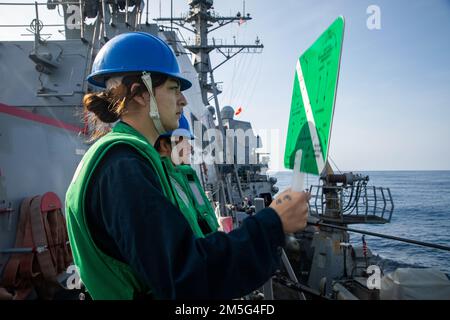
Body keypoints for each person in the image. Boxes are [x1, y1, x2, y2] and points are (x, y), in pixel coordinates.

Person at [65, 32, 310, 300]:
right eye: (173, 89)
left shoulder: (128, 159)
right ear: (139, 94)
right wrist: (273, 223)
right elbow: (186, 277)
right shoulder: (122, 166)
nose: (182, 100)